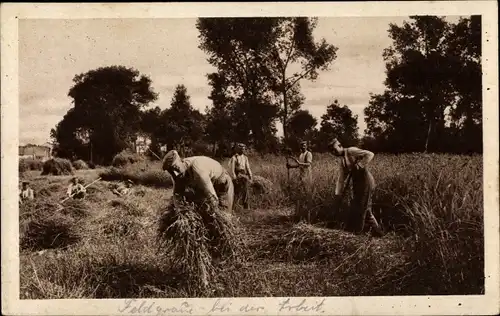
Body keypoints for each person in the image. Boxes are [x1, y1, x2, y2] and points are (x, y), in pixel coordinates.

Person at [330, 138, 384, 237]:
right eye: (332, 151)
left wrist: (360, 164)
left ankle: (358, 233)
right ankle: (379, 232)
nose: (334, 152)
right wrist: (337, 194)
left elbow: (370, 154)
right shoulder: (342, 161)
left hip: (365, 181)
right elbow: (341, 179)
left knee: (361, 207)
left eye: (335, 149)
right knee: (365, 209)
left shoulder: (351, 151)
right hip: (357, 184)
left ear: (340, 146)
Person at [162, 150, 234, 213]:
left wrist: (215, 214)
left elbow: (213, 199)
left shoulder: (198, 169)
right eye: (171, 171)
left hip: (221, 183)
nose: (175, 173)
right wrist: (180, 211)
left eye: (176, 168)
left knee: (223, 213)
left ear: (181, 161)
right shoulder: (177, 175)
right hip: (205, 184)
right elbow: (177, 195)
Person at [228, 143, 253, 210]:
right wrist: (234, 178)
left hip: (244, 175)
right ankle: (232, 207)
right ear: (237, 149)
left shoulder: (245, 158)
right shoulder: (234, 158)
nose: (242, 150)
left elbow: (248, 168)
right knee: (235, 192)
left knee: (245, 191)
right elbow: (232, 169)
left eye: (243, 149)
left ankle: (246, 206)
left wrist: (250, 176)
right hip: (237, 175)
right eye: (240, 149)